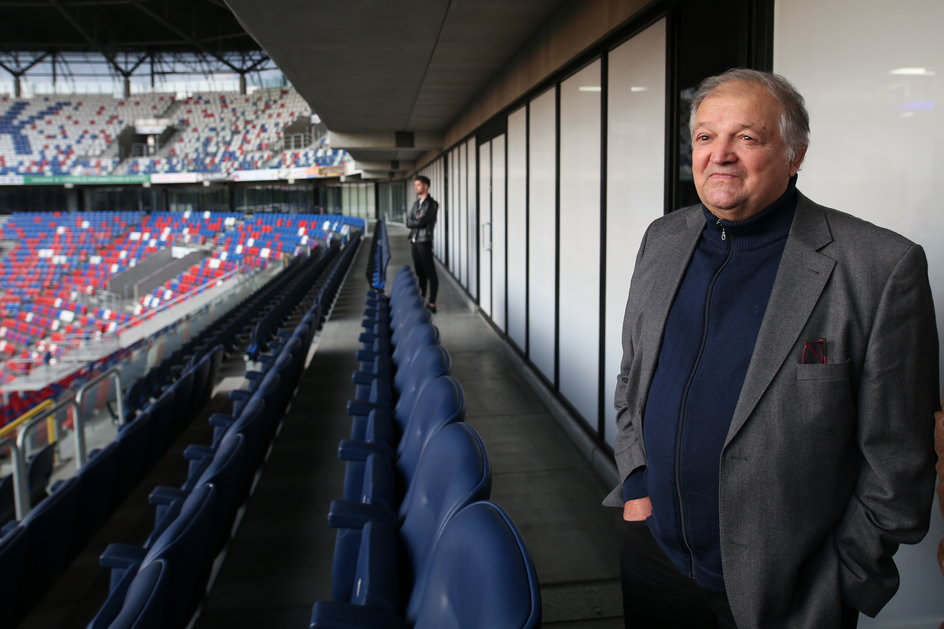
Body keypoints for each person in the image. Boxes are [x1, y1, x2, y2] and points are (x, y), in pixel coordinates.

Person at [604, 68, 940, 629]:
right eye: (706, 137)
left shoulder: (880, 268)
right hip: (655, 555)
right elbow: (632, 376)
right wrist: (637, 485)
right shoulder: (662, 240)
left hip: (790, 587)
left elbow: (900, 461)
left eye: (748, 137)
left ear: (795, 154)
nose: (721, 155)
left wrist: (842, 577)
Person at [406, 175, 439, 312]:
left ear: (426, 186)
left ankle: (432, 303)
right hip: (414, 240)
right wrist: (417, 221)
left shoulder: (432, 204)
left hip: (424, 241)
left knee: (430, 272)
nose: (415, 188)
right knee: (419, 272)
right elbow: (408, 222)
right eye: (415, 186)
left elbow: (421, 221)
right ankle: (422, 297)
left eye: (418, 185)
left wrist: (417, 221)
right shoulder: (416, 204)